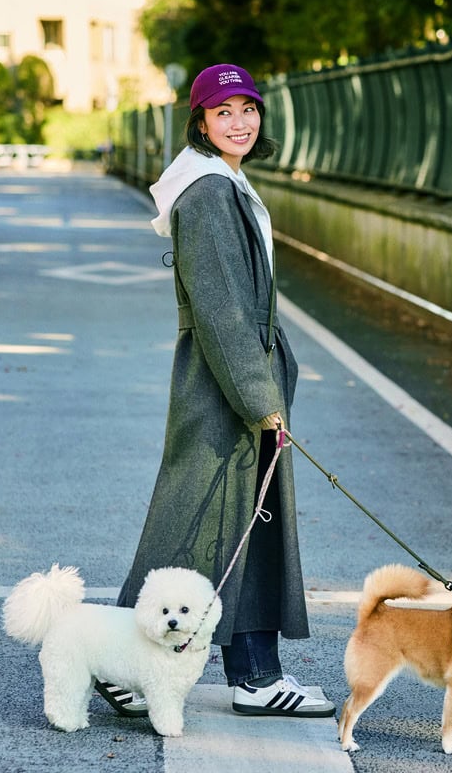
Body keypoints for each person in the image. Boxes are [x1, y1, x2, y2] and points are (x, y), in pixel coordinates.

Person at [97, 63, 334, 720]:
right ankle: (130, 664)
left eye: (248, 108)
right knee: (198, 527)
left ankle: (254, 673)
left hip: (229, 383)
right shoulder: (207, 193)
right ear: (199, 121)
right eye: (223, 111)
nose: (240, 121)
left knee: (233, 530)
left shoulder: (221, 183)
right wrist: (262, 399)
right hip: (223, 389)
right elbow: (224, 311)